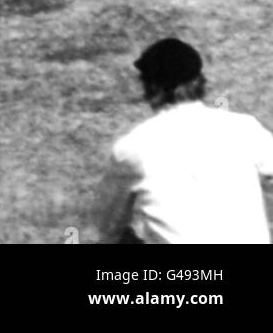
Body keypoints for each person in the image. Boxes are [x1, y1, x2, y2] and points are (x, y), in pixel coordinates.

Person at [95, 38, 273, 244]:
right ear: (199, 80)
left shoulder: (131, 147)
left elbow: (107, 228)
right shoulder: (244, 128)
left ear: (151, 87)